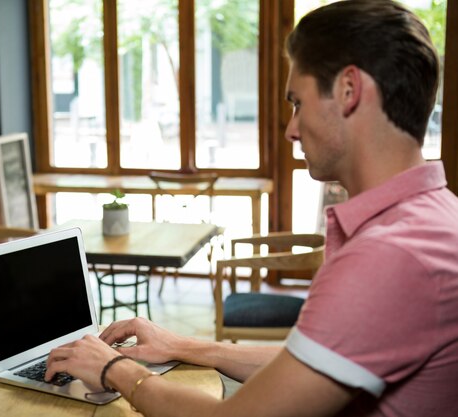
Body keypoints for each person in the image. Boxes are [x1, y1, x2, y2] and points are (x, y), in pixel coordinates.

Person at [45, 1, 458, 415]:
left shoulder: (389, 255)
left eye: (298, 102)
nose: (291, 129)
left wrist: (114, 369)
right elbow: (306, 367)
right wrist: (184, 345)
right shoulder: (433, 218)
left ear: (350, 91)